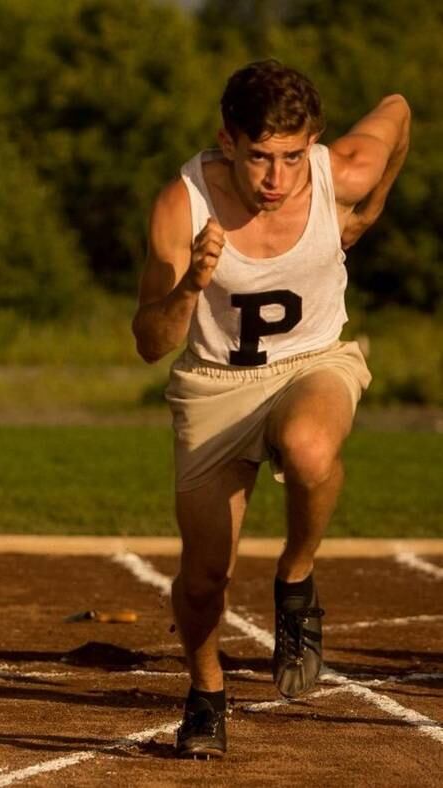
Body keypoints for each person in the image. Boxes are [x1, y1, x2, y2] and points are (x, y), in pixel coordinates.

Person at [132, 59, 409, 758]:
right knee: (204, 578)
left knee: (312, 447)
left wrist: (371, 211)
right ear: (227, 141)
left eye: (292, 157)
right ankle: (205, 696)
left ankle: (296, 579)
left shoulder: (339, 172)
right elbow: (147, 342)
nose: (277, 179)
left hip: (314, 362)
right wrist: (191, 284)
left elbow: (399, 110)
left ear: (311, 142)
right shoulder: (182, 205)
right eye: (260, 158)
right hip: (215, 386)